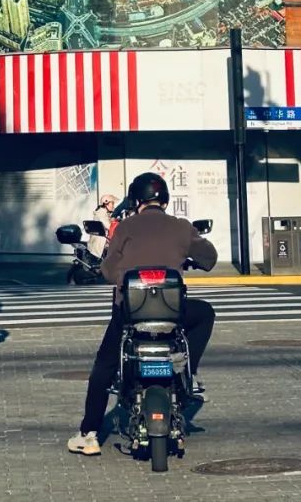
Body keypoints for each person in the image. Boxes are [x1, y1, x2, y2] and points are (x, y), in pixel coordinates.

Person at [67, 171, 217, 457]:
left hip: (129, 315)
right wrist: (188, 257)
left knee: (104, 367)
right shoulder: (181, 227)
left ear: (136, 201)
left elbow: (108, 270)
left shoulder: (125, 227)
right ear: (165, 201)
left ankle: (89, 434)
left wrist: (124, 276)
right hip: (173, 315)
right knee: (205, 312)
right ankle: (189, 368)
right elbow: (209, 258)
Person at [88, 194, 117, 260]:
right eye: (112, 203)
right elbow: (109, 227)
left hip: (102, 239)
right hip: (101, 241)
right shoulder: (101, 213)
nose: (113, 205)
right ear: (106, 203)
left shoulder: (103, 212)